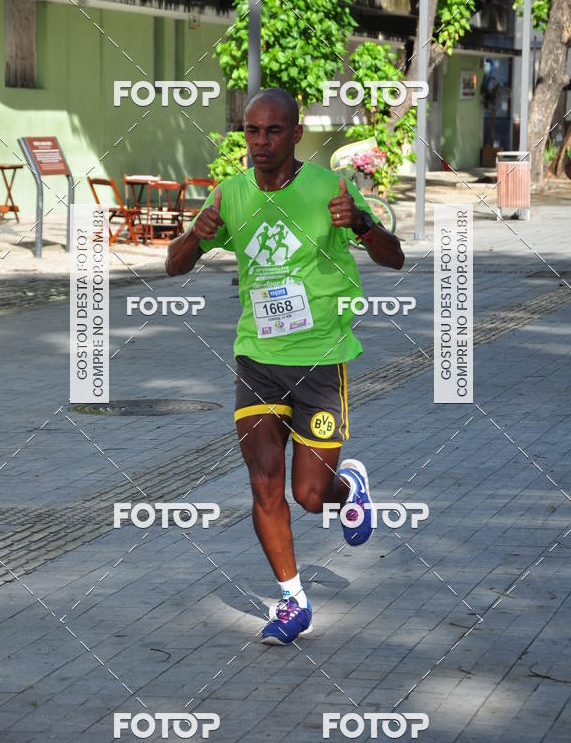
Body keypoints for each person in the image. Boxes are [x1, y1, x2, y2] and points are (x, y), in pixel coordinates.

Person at [166, 88, 404, 645]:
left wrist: (363, 224)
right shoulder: (229, 195)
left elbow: (393, 256)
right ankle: (292, 599)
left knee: (309, 495)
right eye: (252, 131)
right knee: (264, 479)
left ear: (296, 134)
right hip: (257, 358)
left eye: (273, 131)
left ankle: (349, 487)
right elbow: (174, 267)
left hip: (321, 358)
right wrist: (194, 239)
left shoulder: (329, 188)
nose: (261, 141)